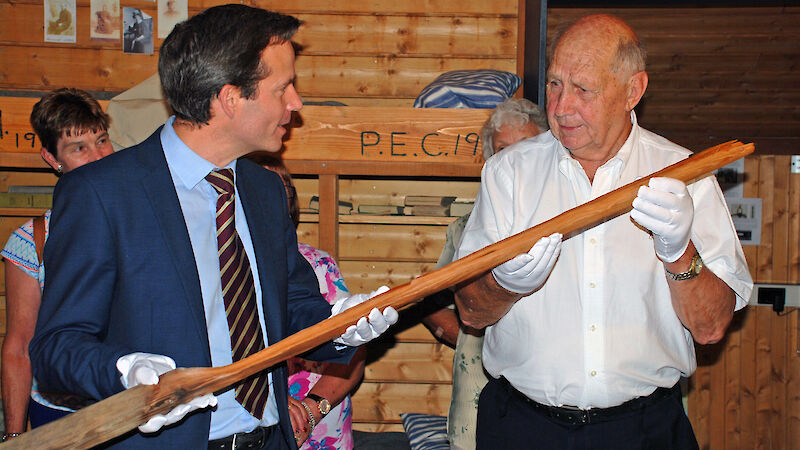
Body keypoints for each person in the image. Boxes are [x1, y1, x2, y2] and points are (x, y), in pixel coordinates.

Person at [29, 5, 397, 449]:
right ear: (229, 98)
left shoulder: (263, 189)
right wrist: (124, 371)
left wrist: (342, 325)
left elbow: (295, 310)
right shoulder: (102, 192)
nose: (296, 103)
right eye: (283, 88)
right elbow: (56, 348)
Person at [453, 14, 752, 449]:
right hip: (522, 427)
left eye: (583, 89)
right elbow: (471, 312)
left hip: (644, 430)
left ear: (633, 91)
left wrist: (679, 254)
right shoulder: (509, 172)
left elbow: (710, 327)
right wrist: (506, 284)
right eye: (554, 84)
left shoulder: (685, 175)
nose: (560, 107)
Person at [418, 98, 547, 450]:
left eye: (525, 146)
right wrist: (464, 335)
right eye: (503, 149)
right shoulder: (466, 227)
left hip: (548, 399)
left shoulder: (571, 222)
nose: (513, 158)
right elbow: (426, 298)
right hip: (478, 389)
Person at [0, 88, 114, 442]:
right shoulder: (31, 240)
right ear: (52, 159)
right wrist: (16, 436)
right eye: (79, 148)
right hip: (58, 413)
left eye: (102, 140)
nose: (98, 156)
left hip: (129, 407)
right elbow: (19, 346)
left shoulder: (142, 225)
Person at [260, 156, 366, 449]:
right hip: (255, 426)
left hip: (320, 427)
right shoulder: (221, 266)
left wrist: (309, 410)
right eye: (263, 187)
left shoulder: (320, 265)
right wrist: (276, 404)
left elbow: (353, 355)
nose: (273, 199)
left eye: (283, 190)